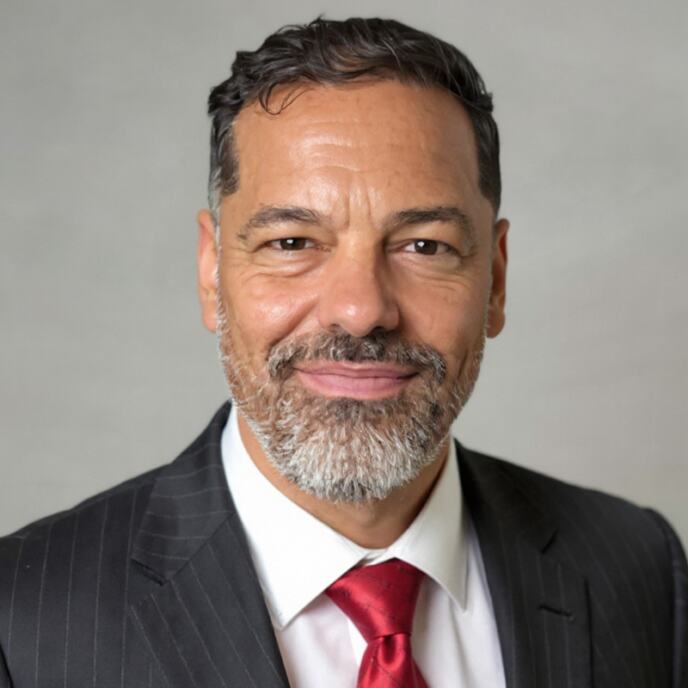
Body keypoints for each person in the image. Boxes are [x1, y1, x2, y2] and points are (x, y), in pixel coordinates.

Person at [0, 16, 685, 688]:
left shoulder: (642, 568)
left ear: (496, 280)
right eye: (292, 243)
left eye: (424, 245)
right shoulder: (22, 622)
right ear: (212, 272)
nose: (361, 311)